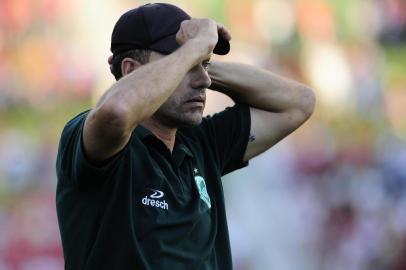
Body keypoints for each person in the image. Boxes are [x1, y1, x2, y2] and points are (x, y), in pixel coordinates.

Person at [55, 3, 315, 270]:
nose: (203, 80)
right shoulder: (95, 138)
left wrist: (198, 60)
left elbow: (299, 103)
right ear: (131, 70)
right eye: (183, 62)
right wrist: (194, 49)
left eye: (204, 64)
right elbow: (117, 112)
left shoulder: (201, 142)